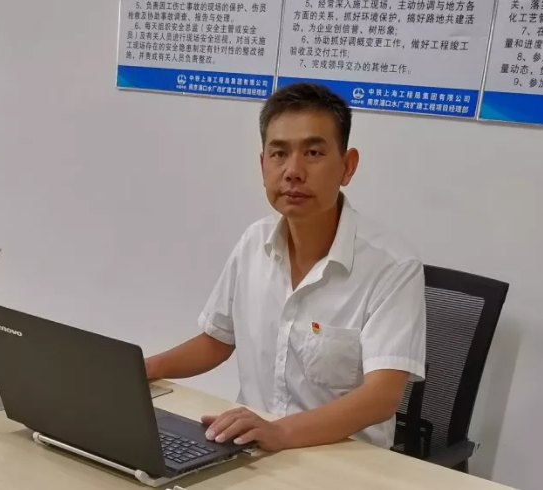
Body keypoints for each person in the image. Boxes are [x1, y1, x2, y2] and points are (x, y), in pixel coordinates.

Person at [145, 83, 426, 452]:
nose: (293, 171)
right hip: (251, 449)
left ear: (347, 166)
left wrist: (282, 433)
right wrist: (143, 369)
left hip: (343, 459)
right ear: (263, 165)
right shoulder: (254, 242)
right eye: (279, 154)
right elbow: (216, 341)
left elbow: (381, 397)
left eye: (313, 153)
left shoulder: (392, 265)